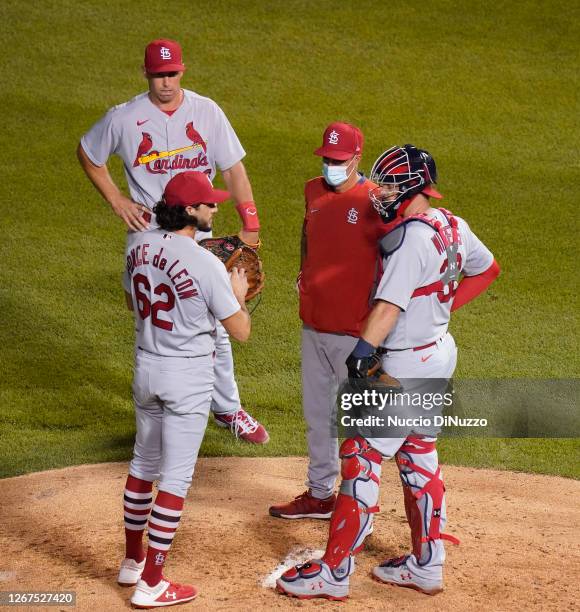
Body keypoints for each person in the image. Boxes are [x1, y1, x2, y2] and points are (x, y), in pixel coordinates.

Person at [276, 144, 500, 600]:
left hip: (402, 362)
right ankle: (426, 565)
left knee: (360, 454)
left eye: (392, 184)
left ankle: (334, 573)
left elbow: (388, 306)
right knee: (418, 455)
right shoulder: (453, 225)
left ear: (414, 187)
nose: (382, 190)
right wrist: (436, 309)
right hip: (437, 352)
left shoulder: (413, 239)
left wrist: (362, 351)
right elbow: (488, 269)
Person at [77, 38, 267, 444]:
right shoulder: (124, 118)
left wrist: (250, 220)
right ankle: (160, 402)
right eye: (159, 74)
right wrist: (116, 199)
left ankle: (228, 408)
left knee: (216, 319)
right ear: (146, 73)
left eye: (173, 73)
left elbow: (232, 169)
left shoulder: (207, 111)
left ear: (183, 70)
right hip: (148, 230)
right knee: (149, 318)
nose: (166, 82)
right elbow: (88, 153)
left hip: (197, 228)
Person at [119, 171, 251, 608]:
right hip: (187, 377)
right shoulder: (205, 262)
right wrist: (238, 294)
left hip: (146, 367)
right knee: (175, 478)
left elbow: (130, 301)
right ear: (190, 211)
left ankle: (132, 562)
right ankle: (152, 583)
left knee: (142, 464)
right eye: (208, 204)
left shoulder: (136, 244)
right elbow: (240, 330)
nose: (215, 208)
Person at [269, 122, 387, 519]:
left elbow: (392, 259)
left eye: (338, 160)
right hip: (313, 325)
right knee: (318, 418)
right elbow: (309, 236)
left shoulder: (376, 200)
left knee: (359, 424)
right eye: (326, 159)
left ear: (357, 158)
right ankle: (320, 495)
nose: (330, 166)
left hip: (355, 334)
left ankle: (359, 502)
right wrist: (305, 273)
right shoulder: (312, 190)